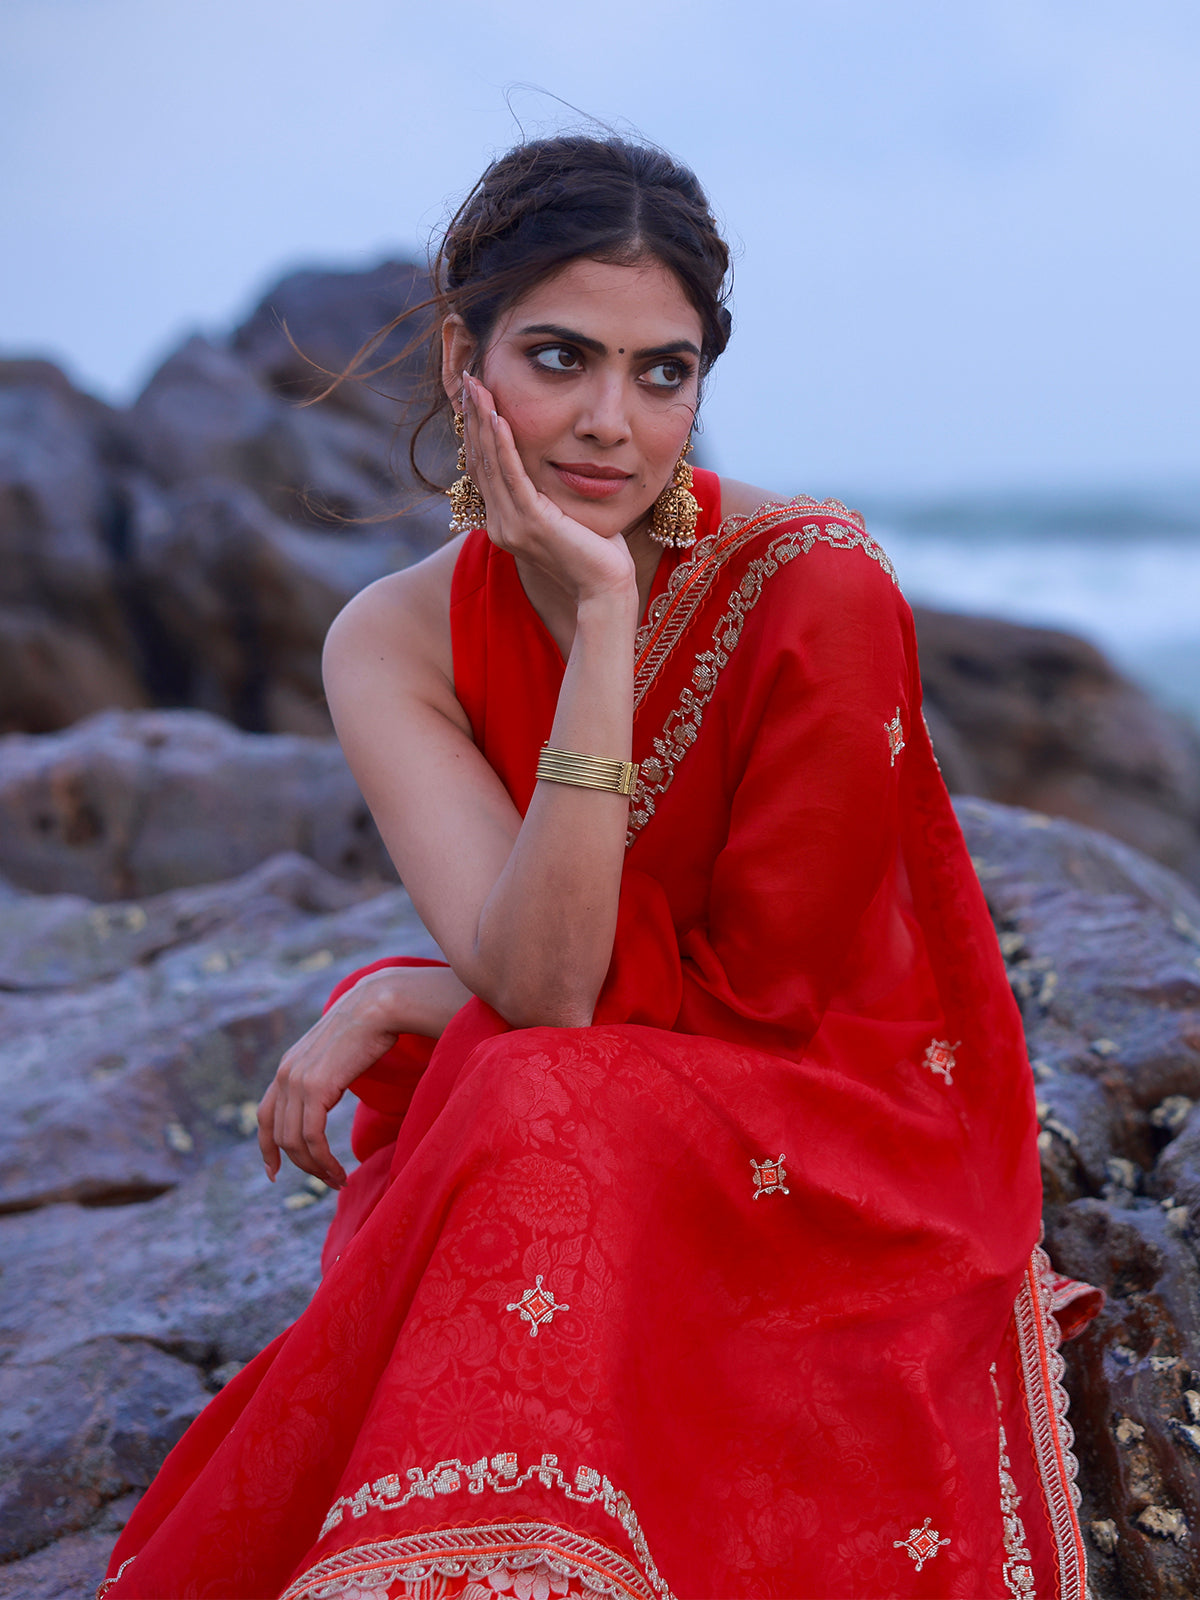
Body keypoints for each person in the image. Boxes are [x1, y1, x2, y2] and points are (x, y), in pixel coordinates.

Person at [100, 134, 1096, 1600]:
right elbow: (553, 984)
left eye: (663, 372)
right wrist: (601, 630)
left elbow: (756, 1003)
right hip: (594, 1066)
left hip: (829, 1110)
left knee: (520, 1085)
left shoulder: (817, 590)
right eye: (560, 358)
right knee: (526, 1082)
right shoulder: (392, 636)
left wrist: (403, 995)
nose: (612, 425)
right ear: (464, 358)